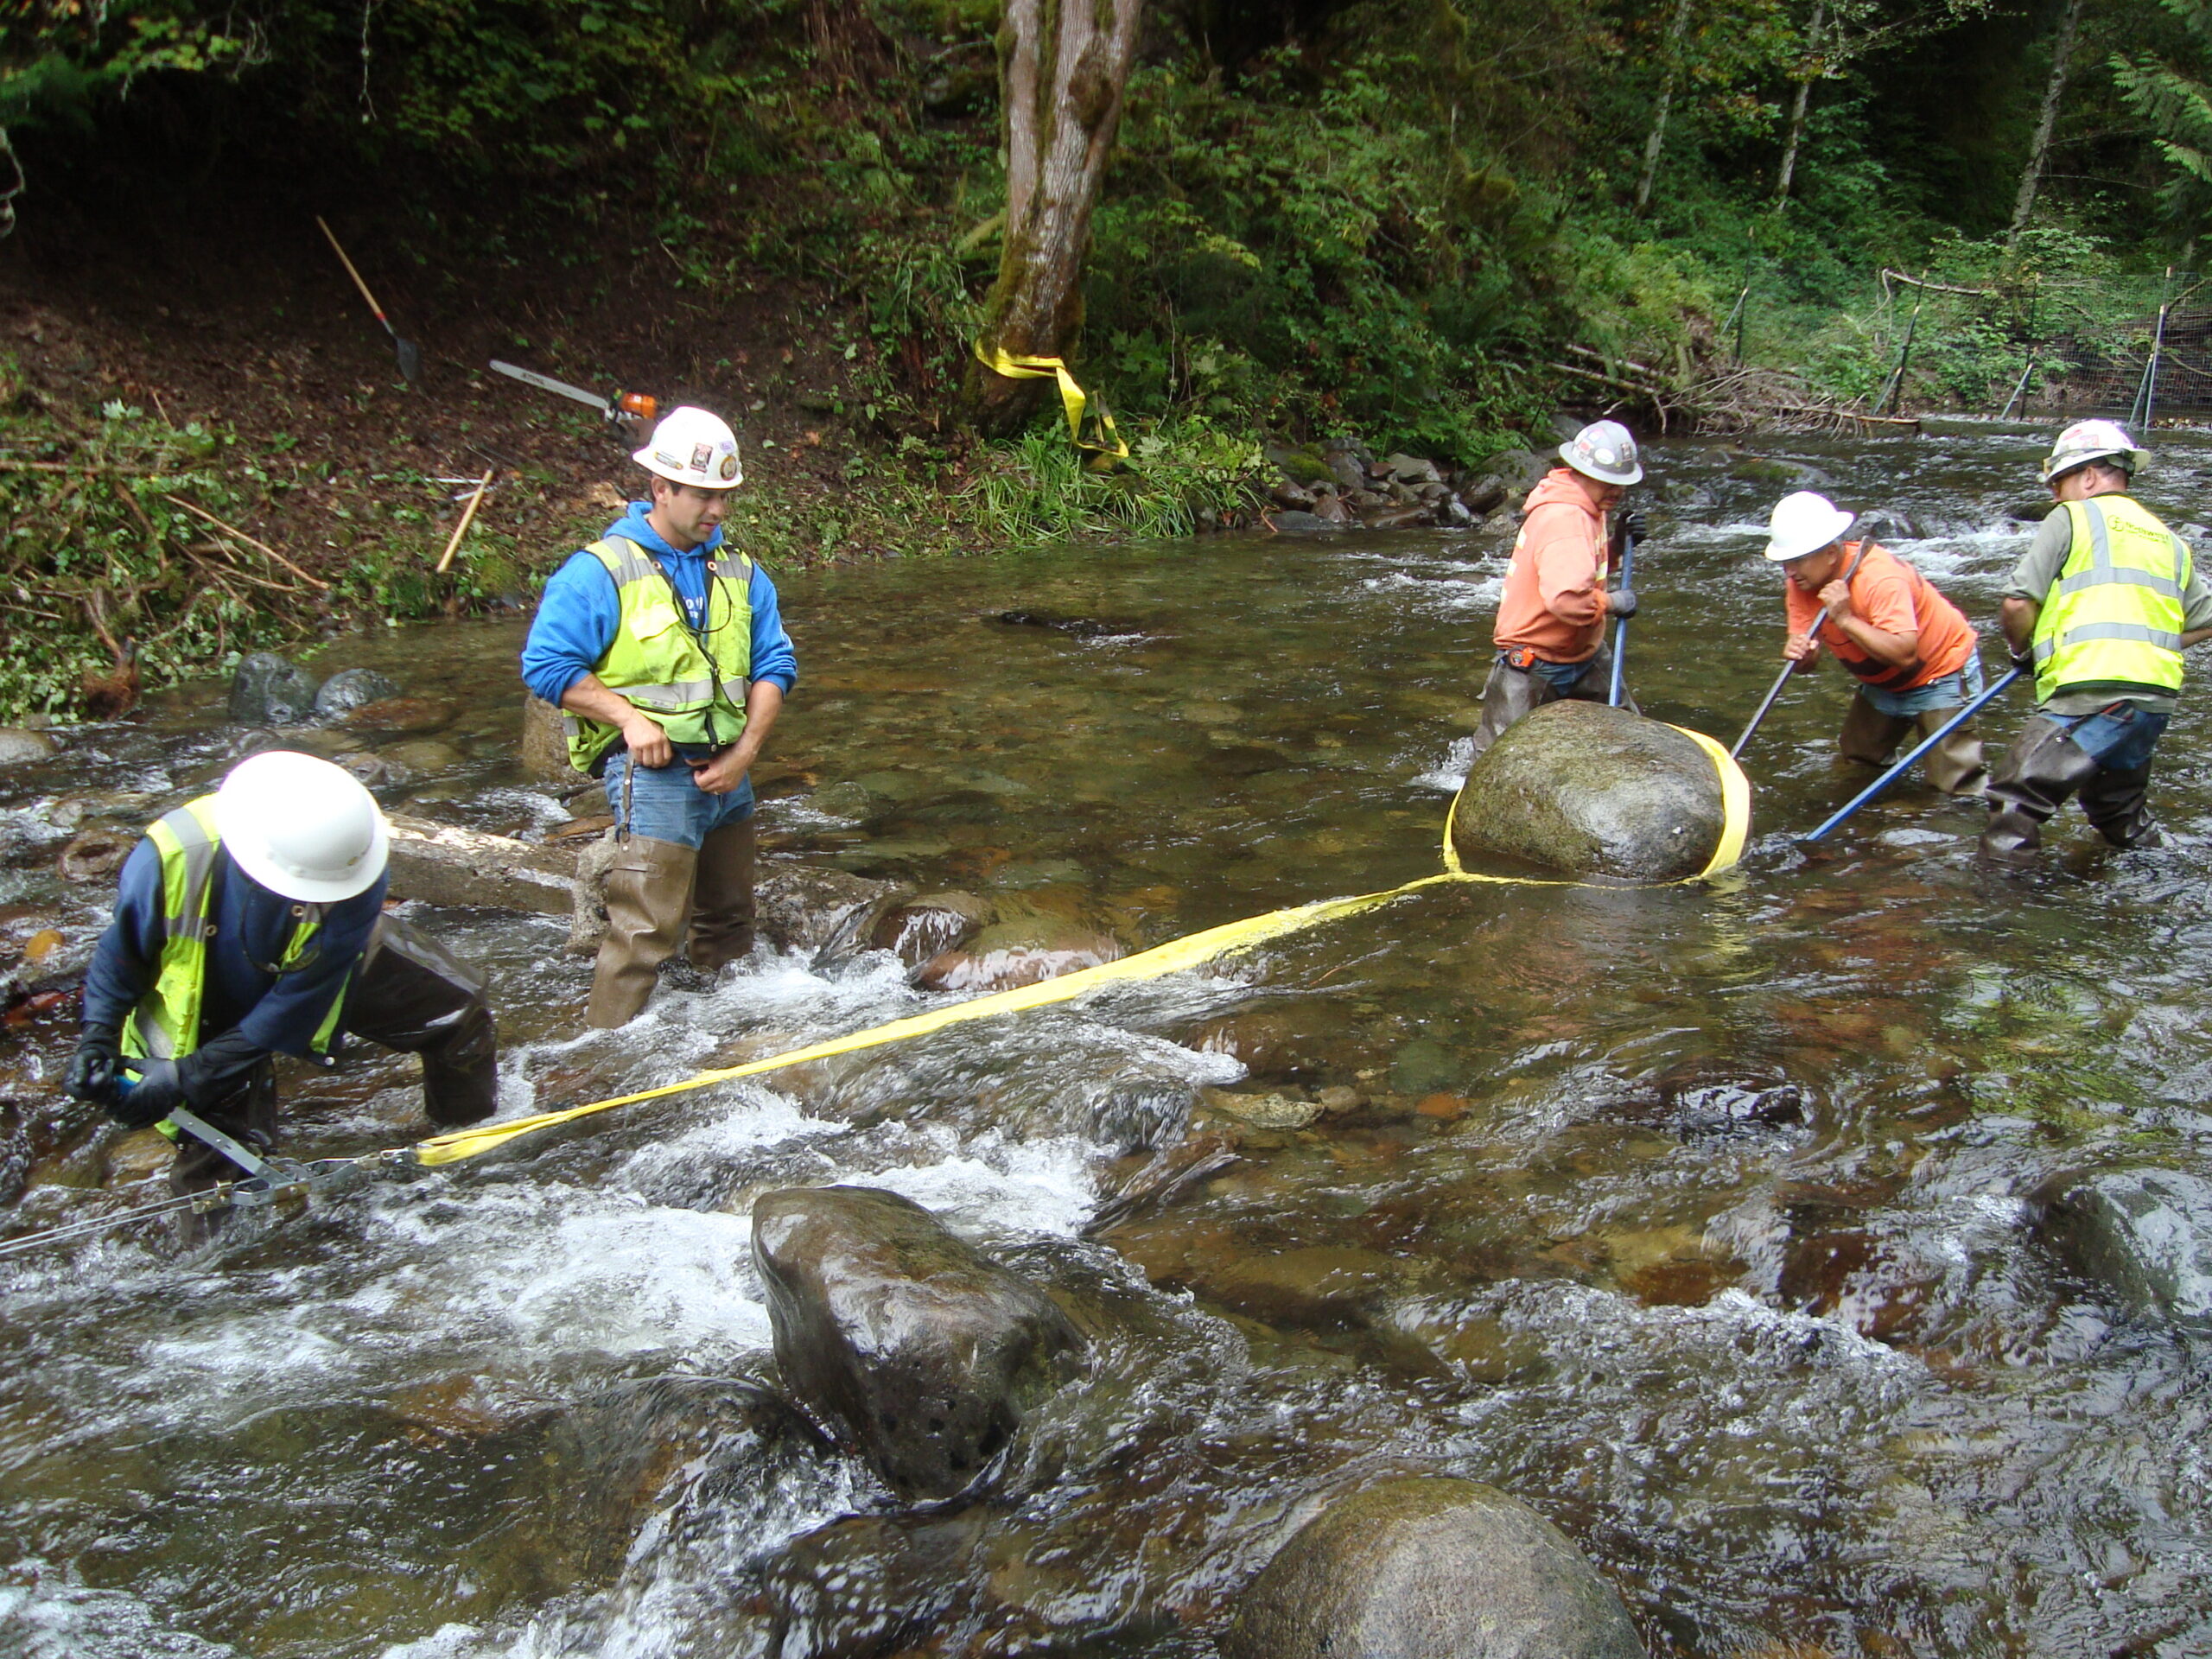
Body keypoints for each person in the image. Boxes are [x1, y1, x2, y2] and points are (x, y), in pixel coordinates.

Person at [66, 750, 498, 1209]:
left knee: (457, 1013)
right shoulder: (170, 854)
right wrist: (100, 1037)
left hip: (322, 966)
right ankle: (221, 1266)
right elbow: (123, 953)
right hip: (201, 995)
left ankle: (465, 1151)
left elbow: (300, 998)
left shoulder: (353, 861)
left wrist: (192, 1074)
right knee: (219, 1167)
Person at [520, 404, 798, 1027]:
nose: (718, 511)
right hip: (654, 779)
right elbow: (546, 665)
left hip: (731, 774)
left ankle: (730, 1039)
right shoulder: (599, 572)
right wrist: (627, 719)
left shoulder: (743, 573)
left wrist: (748, 752)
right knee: (643, 938)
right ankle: (602, 1065)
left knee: (729, 925)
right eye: (704, 495)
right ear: (660, 488)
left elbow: (774, 665)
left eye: (726, 497)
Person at [1981, 419, 2212, 862]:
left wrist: (2020, 651)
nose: (2054, 495)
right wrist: (2155, 646)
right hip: (2155, 699)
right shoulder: (2170, 540)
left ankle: (2000, 911)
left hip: (2092, 690)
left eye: (2058, 482)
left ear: (2088, 476)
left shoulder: (2072, 516)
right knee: (2118, 811)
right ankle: (2157, 878)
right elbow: (2206, 617)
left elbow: (2017, 604)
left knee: (2016, 796)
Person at [1764, 490, 1987, 796]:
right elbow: (1806, 659)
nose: (1790, 571)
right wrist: (1801, 656)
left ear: (1830, 553)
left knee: (1954, 785)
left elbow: (1905, 653)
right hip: (1883, 679)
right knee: (1859, 762)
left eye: (1798, 560)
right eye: (1785, 562)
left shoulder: (1880, 578)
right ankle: (1878, 822)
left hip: (1940, 670)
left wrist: (1845, 619)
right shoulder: (1801, 583)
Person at [1468, 420, 1645, 760]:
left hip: (1583, 655)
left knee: (1630, 741)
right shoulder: (1565, 517)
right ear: (1581, 472)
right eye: (1610, 482)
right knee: (1498, 758)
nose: (1617, 491)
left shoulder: (1589, 506)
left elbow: (1580, 569)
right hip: (1534, 663)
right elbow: (1565, 599)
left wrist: (1618, 545)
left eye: (1621, 483)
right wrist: (1612, 602)